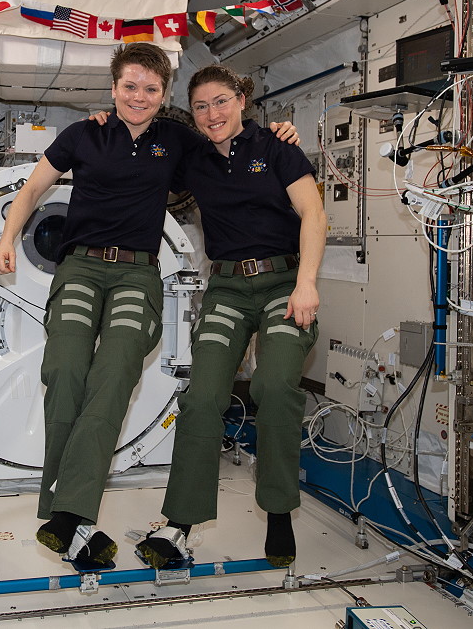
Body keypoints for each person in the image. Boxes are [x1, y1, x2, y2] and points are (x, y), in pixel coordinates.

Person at [0, 43, 299, 570]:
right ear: (113, 89)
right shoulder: (83, 134)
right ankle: (72, 510)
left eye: (150, 89)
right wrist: (6, 236)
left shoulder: (178, 141)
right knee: (63, 370)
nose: (138, 97)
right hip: (80, 268)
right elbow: (34, 186)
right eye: (129, 87)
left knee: (112, 375)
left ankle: (68, 514)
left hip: (137, 271)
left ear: (163, 96)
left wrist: (279, 133)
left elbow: (233, 148)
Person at [134, 64, 326, 571]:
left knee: (275, 386)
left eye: (221, 101)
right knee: (203, 397)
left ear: (242, 99)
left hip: (284, 284)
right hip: (227, 289)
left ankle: (279, 511)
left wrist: (307, 282)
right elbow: (141, 145)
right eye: (201, 106)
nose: (212, 113)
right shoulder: (194, 159)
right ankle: (181, 521)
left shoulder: (277, 148)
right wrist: (107, 122)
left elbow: (314, 214)